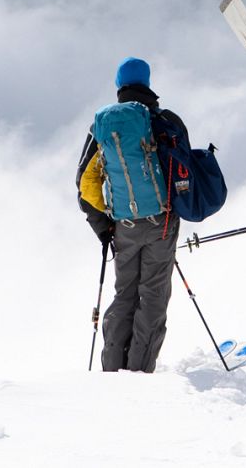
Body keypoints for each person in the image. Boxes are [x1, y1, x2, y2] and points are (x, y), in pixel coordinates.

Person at [75, 57, 184, 372]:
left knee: (124, 293)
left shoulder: (102, 126)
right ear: (147, 82)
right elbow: (182, 168)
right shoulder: (162, 119)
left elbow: (85, 182)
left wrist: (104, 227)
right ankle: (139, 371)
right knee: (153, 296)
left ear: (119, 85)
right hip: (161, 222)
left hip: (122, 225)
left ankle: (112, 369)